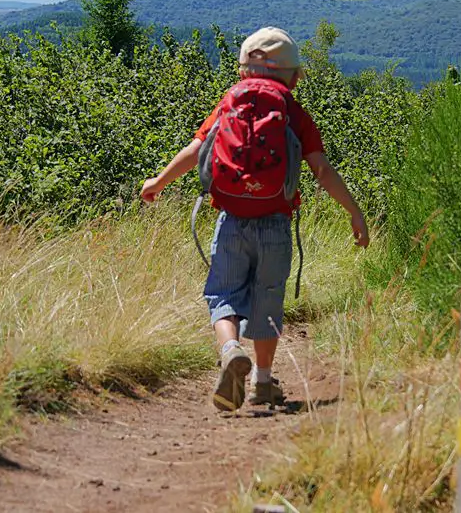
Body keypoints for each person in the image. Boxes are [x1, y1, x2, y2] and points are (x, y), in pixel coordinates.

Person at [139, 26, 369, 411]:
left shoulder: (229, 103)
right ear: (294, 77)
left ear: (242, 73)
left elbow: (197, 150)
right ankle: (263, 381)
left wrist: (159, 182)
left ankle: (230, 349)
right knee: (268, 301)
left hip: (230, 218)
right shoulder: (294, 112)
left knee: (222, 294)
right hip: (276, 222)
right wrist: (354, 212)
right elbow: (322, 171)